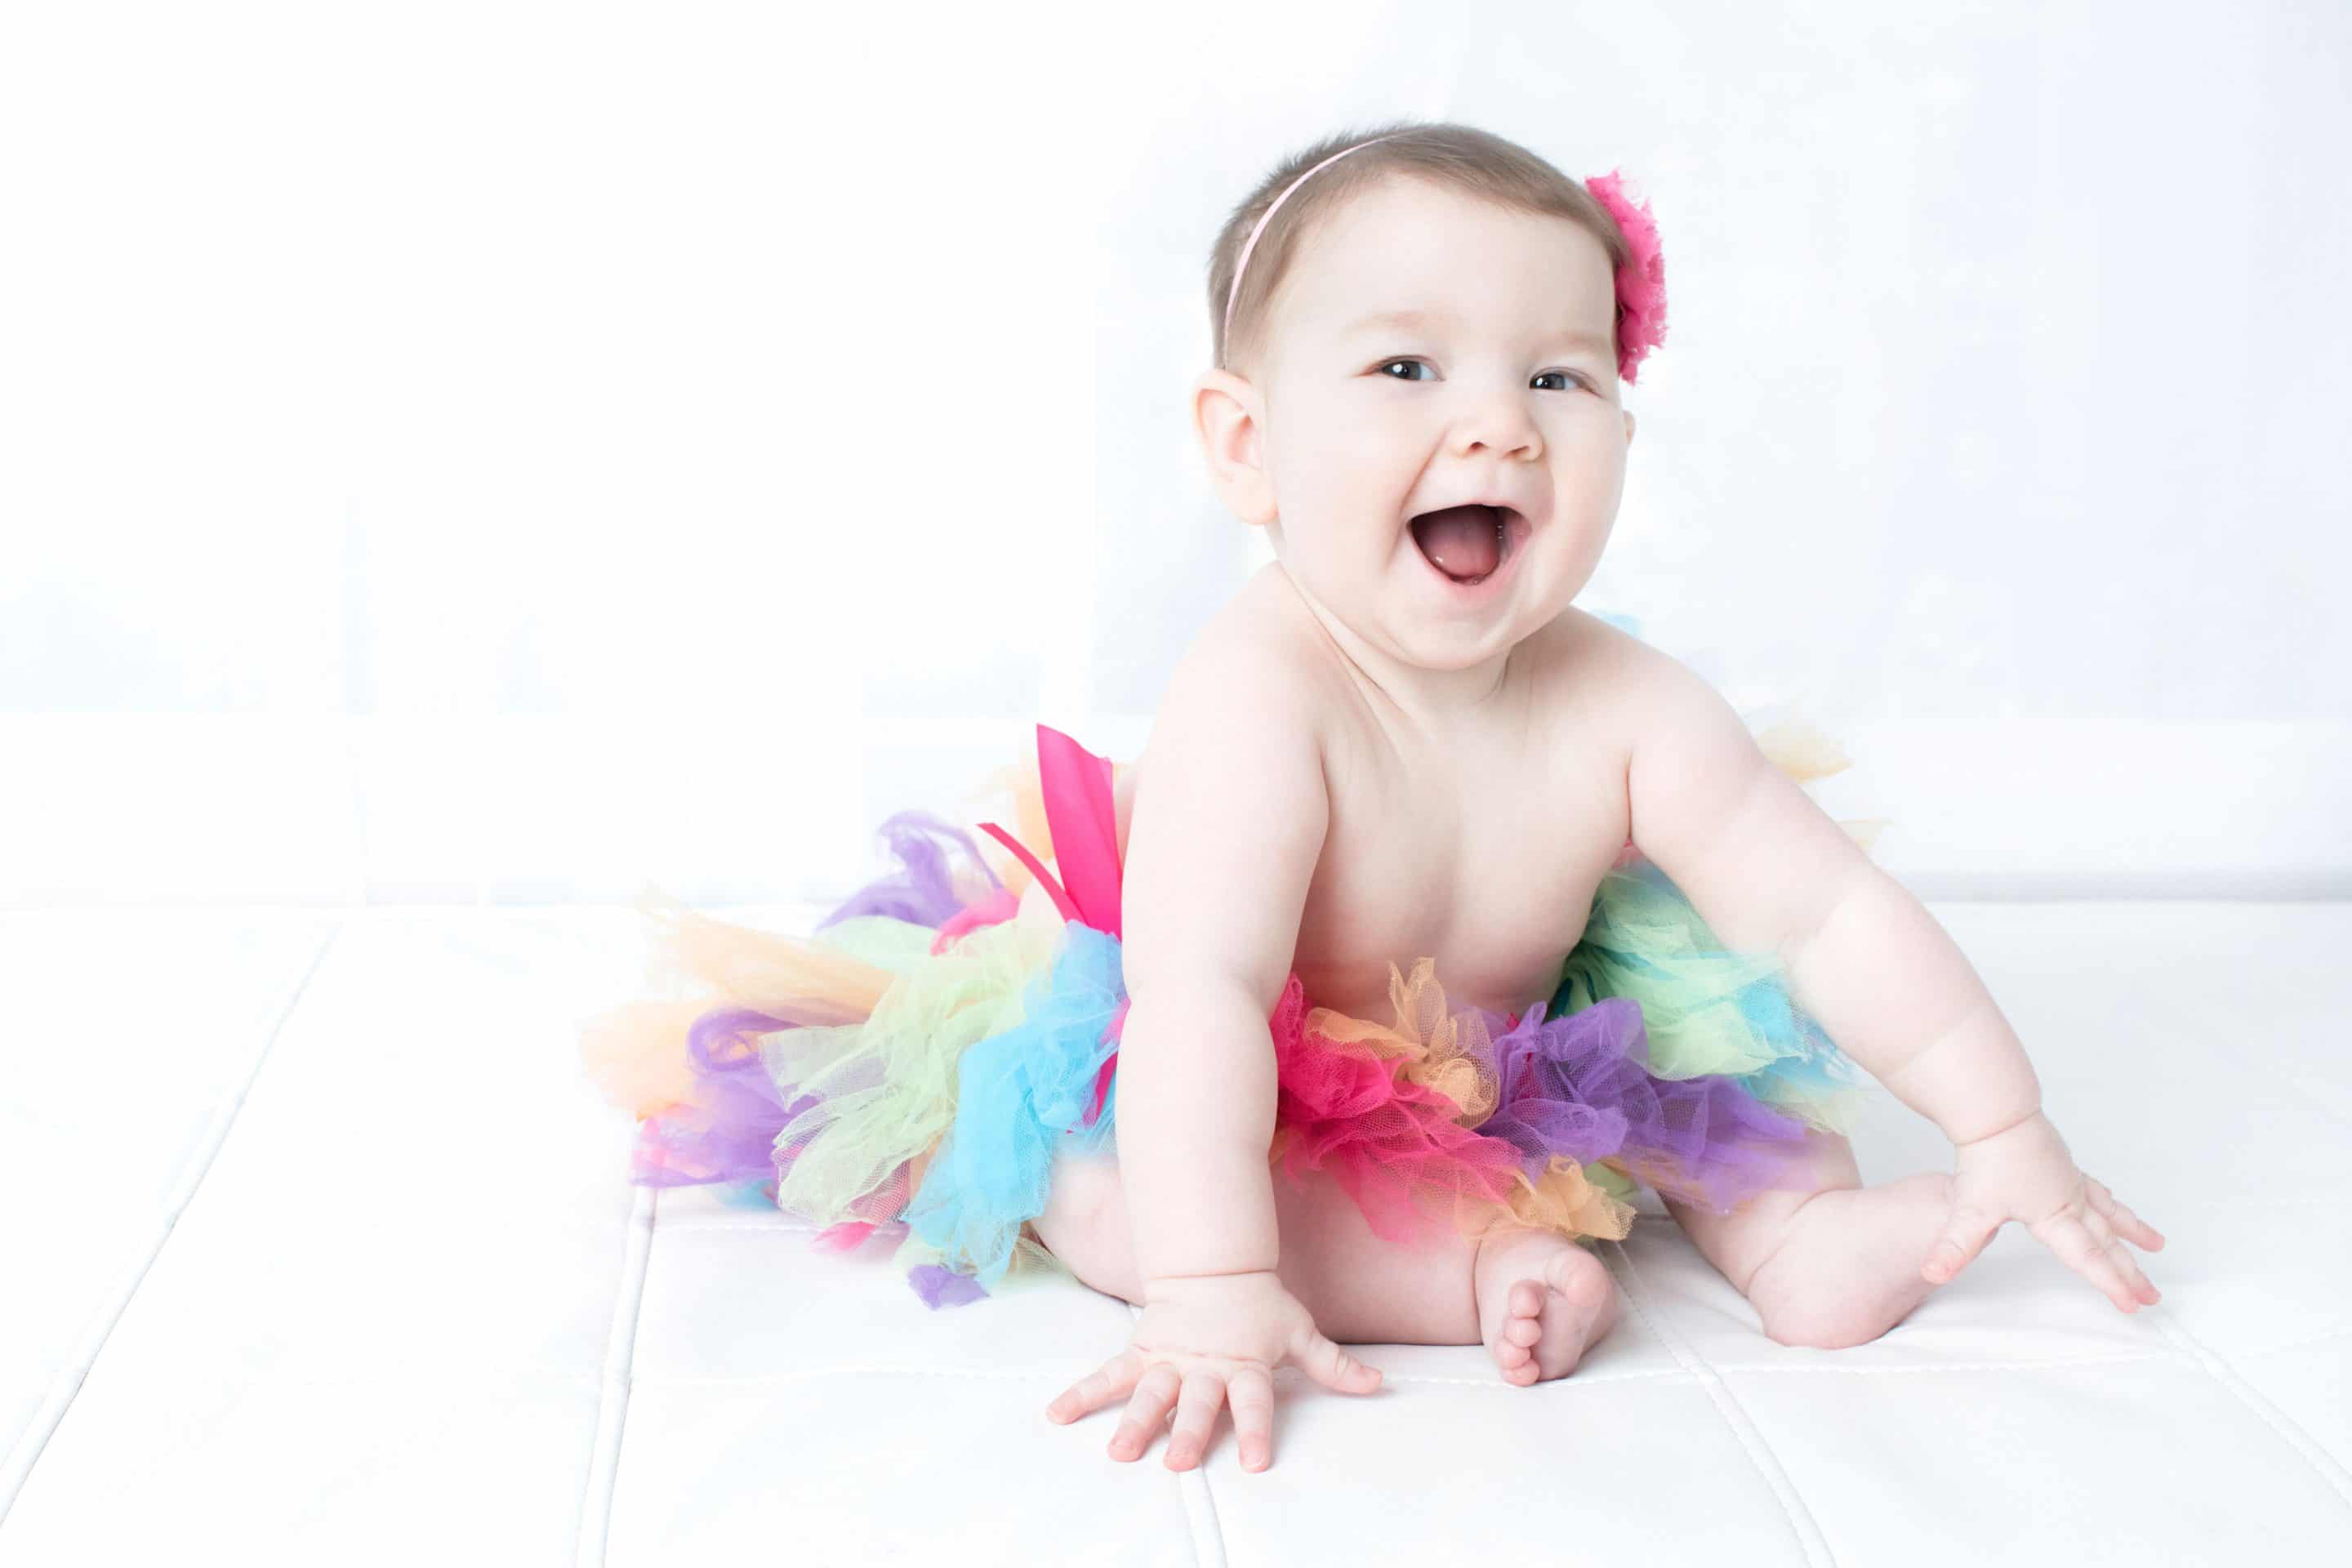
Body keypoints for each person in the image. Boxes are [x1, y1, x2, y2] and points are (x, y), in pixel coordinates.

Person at [577, 118, 2165, 1478]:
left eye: (1561, 374)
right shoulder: (1264, 696)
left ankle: (1802, 1246)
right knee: (1126, 1190)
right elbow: (1200, 991)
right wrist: (1210, 1285)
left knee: (1715, 1092)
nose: (1498, 424)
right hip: (1221, 1051)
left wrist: (2002, 1120)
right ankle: (1486, 1267)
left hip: (1506, 1051)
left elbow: (1825, 910)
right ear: (1249, 445)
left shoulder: (1628, 703)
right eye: (1407, 365)